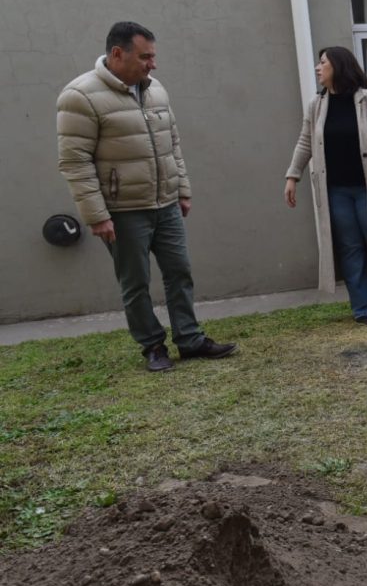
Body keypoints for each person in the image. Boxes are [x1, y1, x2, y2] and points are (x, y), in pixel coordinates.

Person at [57, 22, 238, 371]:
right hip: (123, 211)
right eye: (145, 56)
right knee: (135, 281)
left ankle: (190, 339)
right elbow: (74, 162)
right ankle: (153, 346)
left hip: (166, 203)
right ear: (117, 54)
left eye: (153, 56)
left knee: (179, 271)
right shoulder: (79, 96)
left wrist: (182, 190)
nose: (152, 64)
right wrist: (97, 215)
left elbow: (173, 144)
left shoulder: (156, 90)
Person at [284, 47, 367, 324]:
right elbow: (305, 142)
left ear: (338, 66)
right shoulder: (316, 106)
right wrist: (293, 176)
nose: (318, 68)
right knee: (350, 247)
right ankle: (362, 307)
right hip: (336, 191)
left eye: (323, 63)